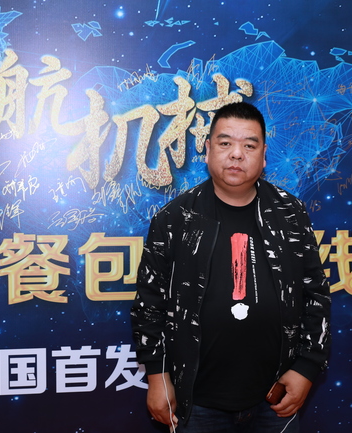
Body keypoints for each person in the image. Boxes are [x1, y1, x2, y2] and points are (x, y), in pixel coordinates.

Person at [130, 101, 331, 433]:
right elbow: (149, 303)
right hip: (197, 400)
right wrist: (157, 375)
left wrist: (307, 367)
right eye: (225, 143)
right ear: (208, 150)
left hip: (274, 396)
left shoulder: (290, 213)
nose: (237, 154)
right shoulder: (175, 218)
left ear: (264, 156)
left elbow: (316, 294)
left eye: (249, 145)